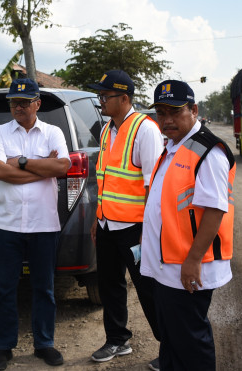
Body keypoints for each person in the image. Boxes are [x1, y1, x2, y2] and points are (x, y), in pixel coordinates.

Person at [141, 80, 236, 370]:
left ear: (193, 110)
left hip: (188, 266)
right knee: (171, 339)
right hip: (168, 264)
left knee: (191, 343)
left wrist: (193, 259)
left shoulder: (208, 152)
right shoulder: (173, 146)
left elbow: (215, 210)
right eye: (161, 112)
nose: (167, 119)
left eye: (175, 111)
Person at [0, 79, 71, 370]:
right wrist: (40, 167)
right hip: (7, 223)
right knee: (4, 288)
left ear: (37, 104)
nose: (18, 107)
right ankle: (3, 347)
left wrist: (18, 162)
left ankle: (44, 343)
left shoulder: (53, 132)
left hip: (43, 223)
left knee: (44, 288)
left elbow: (62, 167)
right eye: (13, 102)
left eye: (24, 102)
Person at [87, 70, 164, 370]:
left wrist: (150, 230)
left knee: (148, 289)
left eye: (105, 96)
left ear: (124, 98)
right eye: (100, 95)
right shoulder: (107, 130)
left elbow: (153, 186)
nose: (101, 100)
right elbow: (104, 180)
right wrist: (97, 217)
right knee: (110, 285)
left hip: (135, 229)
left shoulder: (145, 130)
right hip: (107, 225)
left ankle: (170, 346)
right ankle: (118, 339)